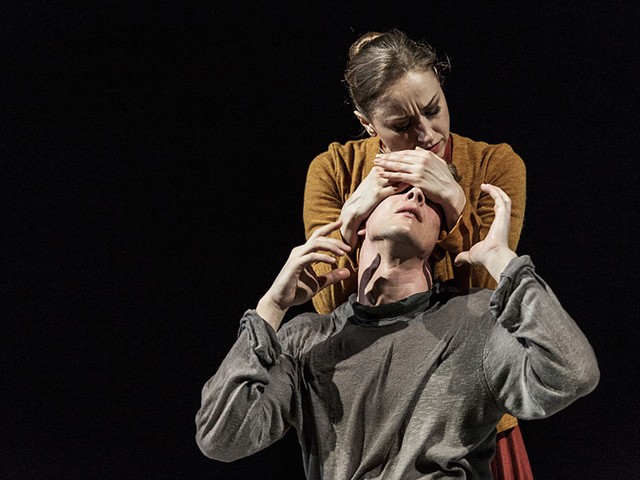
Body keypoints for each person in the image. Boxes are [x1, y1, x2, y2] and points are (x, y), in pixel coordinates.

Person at [195, 184, 599, 479]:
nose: (417, 196)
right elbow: (221, 436)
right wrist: (271, 307)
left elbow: (573, 372)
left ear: (439, 239)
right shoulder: (308, 339)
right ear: (359, 222)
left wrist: (504, 262)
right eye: (398, 189)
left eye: (431, 199)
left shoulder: (477, 316)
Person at [303, 30, 528, 476]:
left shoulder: (493, 165)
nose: (426, 135)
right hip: (373, 412)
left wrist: (455, 205)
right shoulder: (335, 169)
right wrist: (351, 220)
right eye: (402, 125)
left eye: (433, 109)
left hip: (469, 412)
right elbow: (330, 306)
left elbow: (488, 300)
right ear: (368, 123)